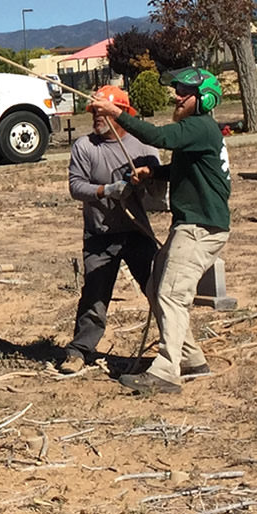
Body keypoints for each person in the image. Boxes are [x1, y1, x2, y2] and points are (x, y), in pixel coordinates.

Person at [89, 67, 231, 394]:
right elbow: (184, 167)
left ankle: (167, 371)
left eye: (185, 91)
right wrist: (153, 172)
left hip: (201, 227)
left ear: (204, 99)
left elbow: (160, 137)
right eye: (177, 89)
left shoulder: (198, 126)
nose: (177, 96)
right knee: (155, 287)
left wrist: (117, 114)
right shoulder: (199, 132)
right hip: (191, 225)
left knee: (171, 293)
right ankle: (191, 359)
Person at [61, 86, 160, 374]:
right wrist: (107, 190)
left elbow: (158, 188)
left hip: (136, 231)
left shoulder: (143, 147)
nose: (96, 118)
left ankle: (177, 345)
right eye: (94, 112)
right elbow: (76, 187)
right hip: (99, 234)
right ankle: (79, 350)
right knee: (95, 293)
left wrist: (145, 183)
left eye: (103, 112)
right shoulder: (85, 147)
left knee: (157, 289)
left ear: (122, 115)